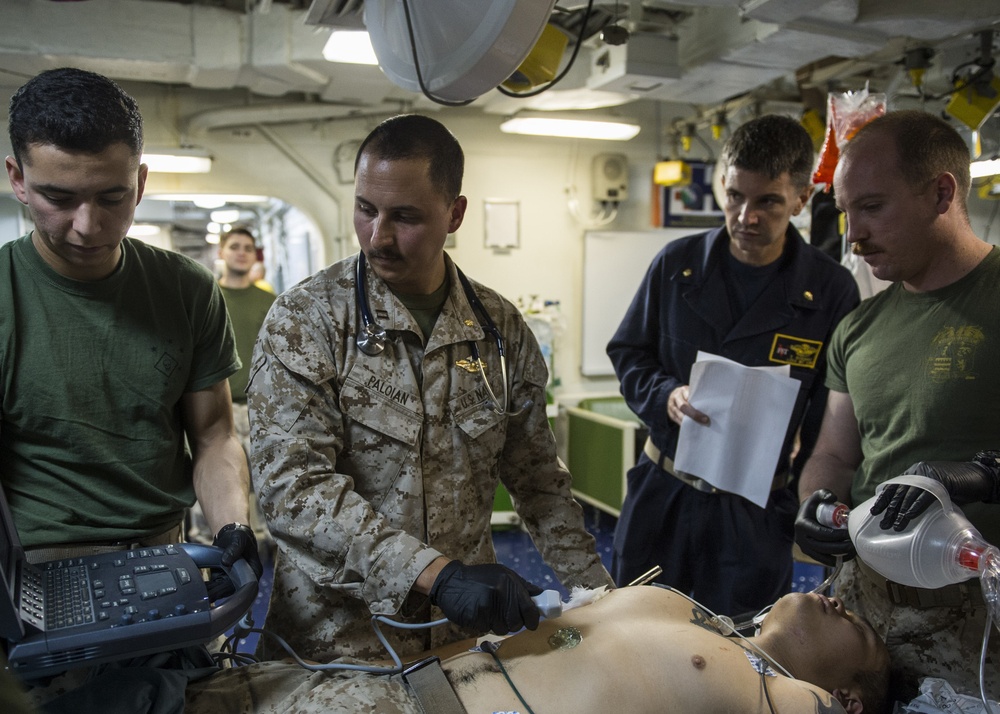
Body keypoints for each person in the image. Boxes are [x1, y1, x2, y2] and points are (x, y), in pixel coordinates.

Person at [246, 114, 613, 663]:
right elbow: (292, 490)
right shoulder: (307, 321)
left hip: (460, 639)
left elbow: (537, 480)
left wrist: (596, 597)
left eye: (406, 217)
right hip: (339, 644)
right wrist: (436, 577)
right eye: (366, 209)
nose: (379, 236)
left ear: (455, 214)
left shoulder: (498, 328)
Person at [0, 67, 260, 612]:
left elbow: (213, 436)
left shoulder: (187, 290)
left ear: (140, 184)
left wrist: (233, 526)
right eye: (58, 198)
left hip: (165, 556)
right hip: (37, 568)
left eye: (112, 198)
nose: (87, 225)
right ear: (17, 179)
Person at [607, 114, 861, 615]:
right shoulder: (676, 265)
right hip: (665, 495)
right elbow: (629, 353)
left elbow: (828, 422)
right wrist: (666, 394)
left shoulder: (830, 291)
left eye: (767, 201)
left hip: (754, 512)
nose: (746, 216)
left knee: (742, 653)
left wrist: (812, 503)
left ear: (801, 201)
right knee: (637, 637)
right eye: (734, 197)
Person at [794, 109, 1000, 699]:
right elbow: (834, 453)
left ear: (941, 193)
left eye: (873, 207)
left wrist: (983, 478)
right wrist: (816, 503)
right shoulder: (857, 329)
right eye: (845, 211)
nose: (853, 234)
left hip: (980, 618)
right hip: (864, 610)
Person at [184, 585, 891, 714]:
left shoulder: (787, 698)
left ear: (850, 698)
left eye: (855, 627)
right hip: (394, 683)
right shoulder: (687, 608)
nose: (839, 602)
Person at [213, 227, 276, 545]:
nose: (241, 252)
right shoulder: (208, 297)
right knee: (224, 481)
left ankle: (267, 544)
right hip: (216, 406)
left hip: (261, 407)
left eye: (248, 247)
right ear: (222, 252)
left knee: (266, 480)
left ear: (255, 255)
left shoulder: (271, 302)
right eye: (234, 246)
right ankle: (219, 544)